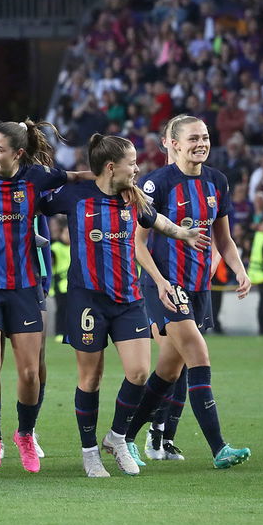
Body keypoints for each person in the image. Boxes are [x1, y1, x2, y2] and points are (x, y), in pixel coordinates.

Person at [40, 134, 209, 477]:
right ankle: (89, 452)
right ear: (111, 167)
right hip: (87, 299)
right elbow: (34, 197)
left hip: (129, 298)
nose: (138, 168)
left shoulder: (135, 197)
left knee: (138, 372)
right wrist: (70, 175)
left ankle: (116, 438)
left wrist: (182, 233)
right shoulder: (75, 196)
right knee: (91, 378)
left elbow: (156, 220)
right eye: (132, 162)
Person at [127, 115, 251, 469]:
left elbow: (223, 239)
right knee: (199, 357)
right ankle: (219, 448)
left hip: (199, 288)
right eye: (194, 138)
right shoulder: (156, 184)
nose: (202, 143)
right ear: (174, 144)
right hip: (165, 287)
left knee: (168, 371)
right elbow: (138, 244)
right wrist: (161, 282)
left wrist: (239, 269)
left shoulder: (217, 181)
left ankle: (122, 436)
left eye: (206, 137)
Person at [0, 120, 77, 473]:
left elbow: (75, 178)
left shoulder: (36, 177)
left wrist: (116, 176)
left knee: (29, 372)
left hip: (25, 285)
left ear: (18, 153)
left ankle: (25, 434)